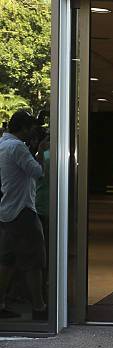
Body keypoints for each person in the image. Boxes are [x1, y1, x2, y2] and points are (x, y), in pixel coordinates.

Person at [0, 110, 47, 320]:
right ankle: (39, 307)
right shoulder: (17, 147)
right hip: (23, 210)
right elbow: (37, 172)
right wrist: (41, 151)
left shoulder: (3, 144)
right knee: (34, 260)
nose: (32, 133)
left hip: (7, 209)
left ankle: (2, 303)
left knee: (7, 261)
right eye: (30, 129)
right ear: (23, 128)